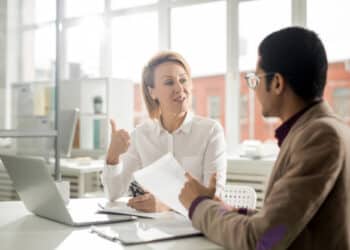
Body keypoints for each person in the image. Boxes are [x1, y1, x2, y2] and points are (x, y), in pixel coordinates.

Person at [179, 26, 350, 249]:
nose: (254, 90)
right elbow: (284, 221)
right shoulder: (313, 129)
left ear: (277, 83)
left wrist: (198, 205)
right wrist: (221, 208)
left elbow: (263, 240)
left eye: (256, 80)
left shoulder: (320, 136)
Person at [101, 51, 227, 212]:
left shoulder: (210, 131)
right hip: (150, 231)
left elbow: (215, 197)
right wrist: (113, 156)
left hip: (194, 230)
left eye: (183, 80)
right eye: (169, 82)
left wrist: (166, 206)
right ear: (152, 92)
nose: (179, 88)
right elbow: (113, 193)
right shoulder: (141, 135)